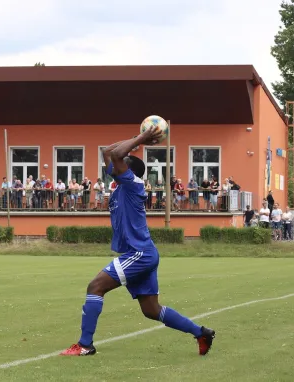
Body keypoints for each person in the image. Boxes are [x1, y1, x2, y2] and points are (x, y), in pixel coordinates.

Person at [60, 127, 215, 357]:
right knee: (152, 310)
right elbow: (108, 151)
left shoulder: (133, 184)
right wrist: (137, 138)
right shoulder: (122, 185)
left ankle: (85, 345)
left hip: (138, 253)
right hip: (143, 253)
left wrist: (141, 139)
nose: (116, 164)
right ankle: (201, 332)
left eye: (123, 161)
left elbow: (115, 155)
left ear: (128, 169)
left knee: (95, 287)